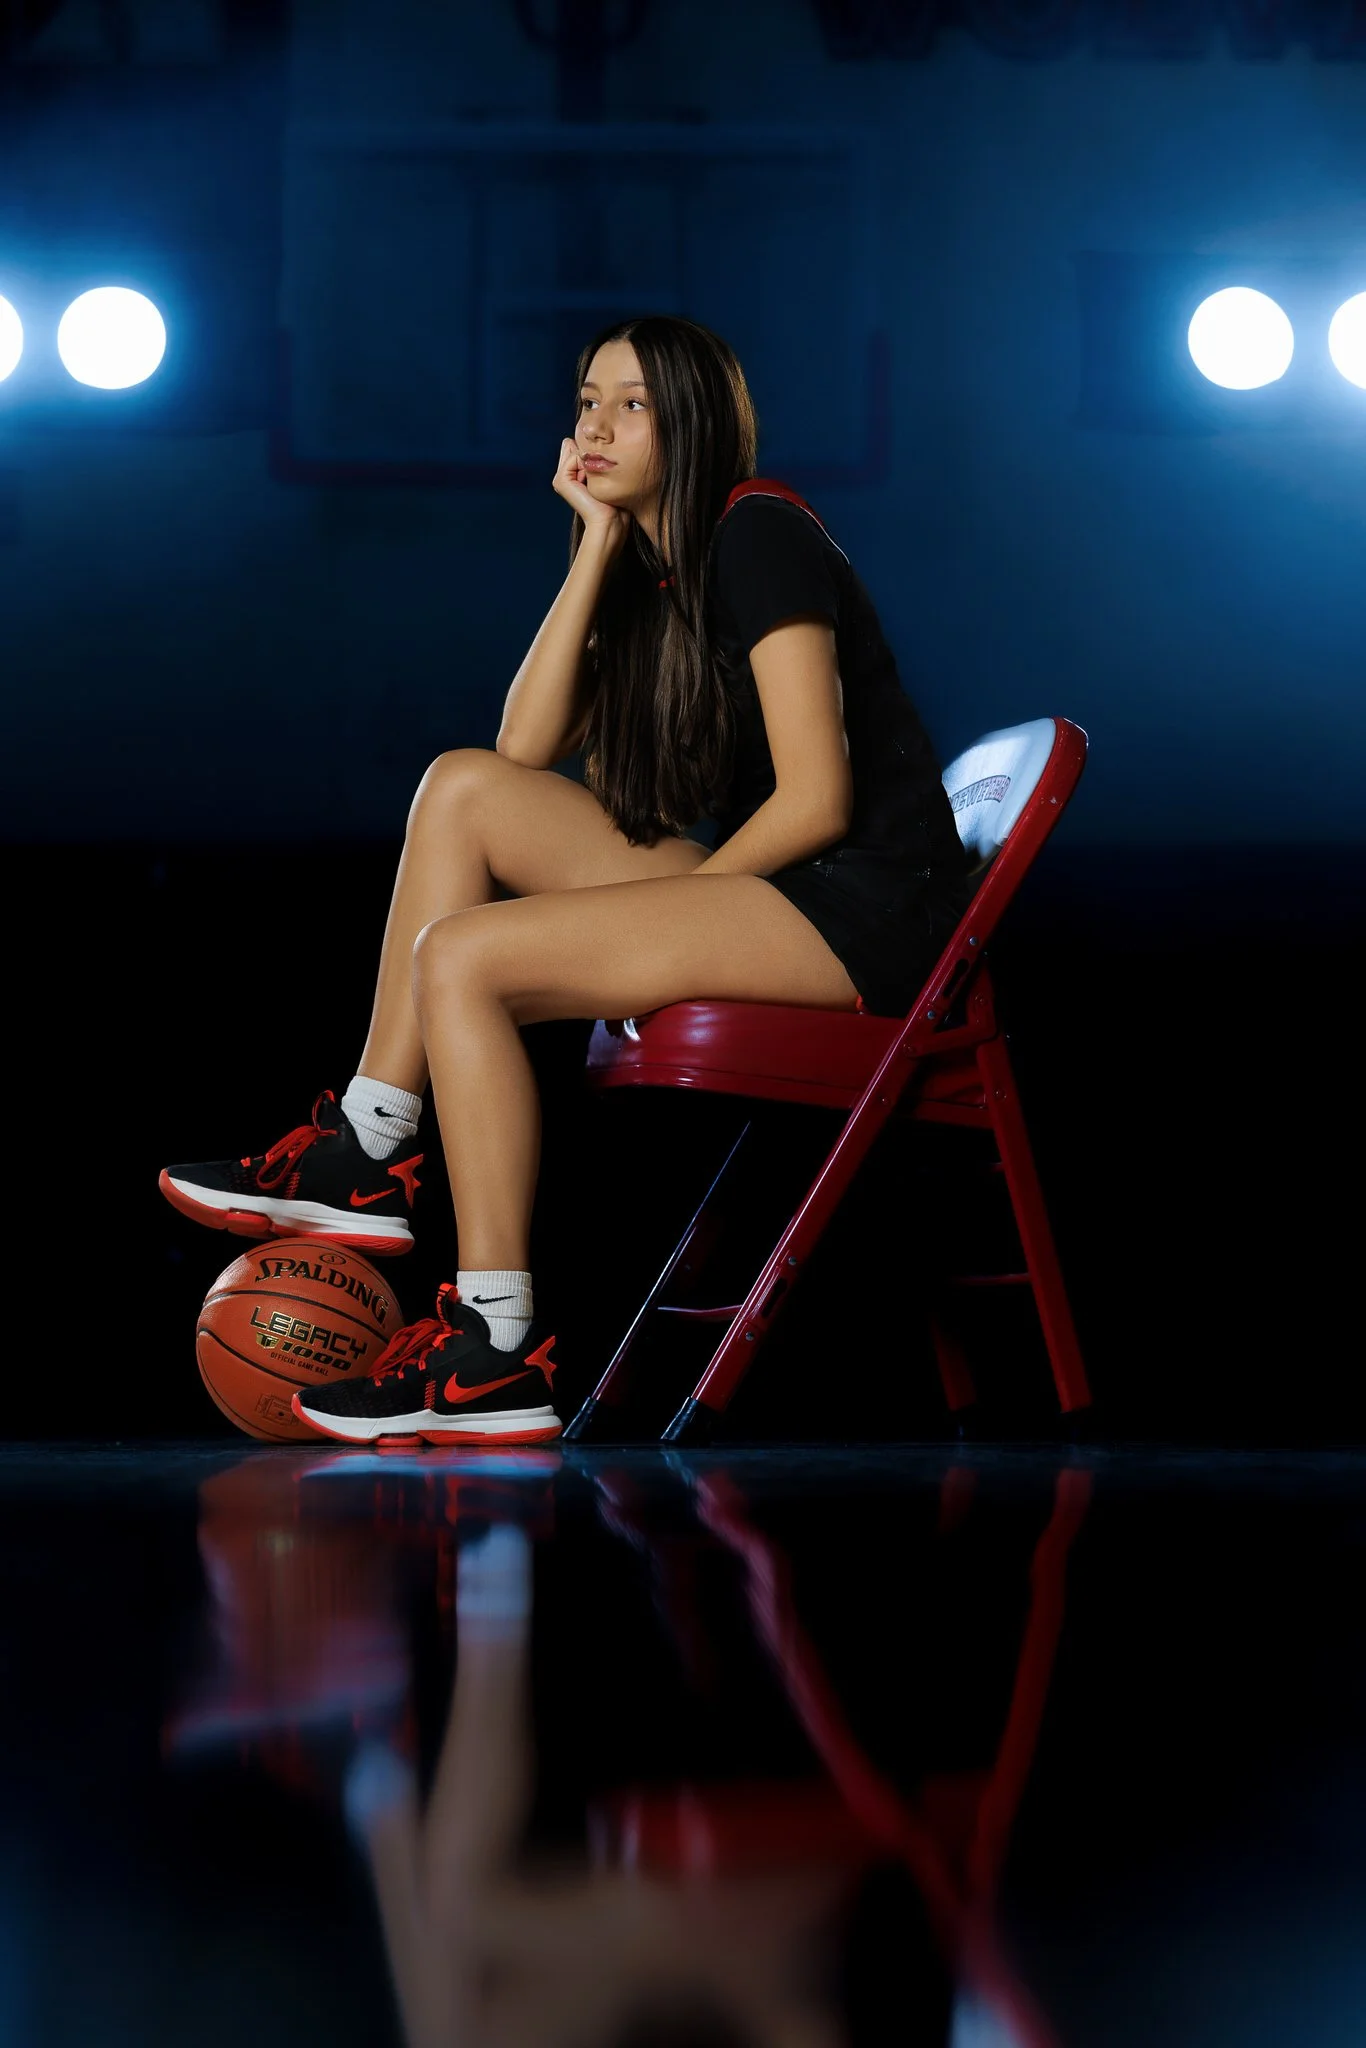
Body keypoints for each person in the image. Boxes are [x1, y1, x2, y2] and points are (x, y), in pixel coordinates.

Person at [159, 314, 972, 1446]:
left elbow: (817, 802)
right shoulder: (653, 570)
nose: (593, 424)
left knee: (463, 956)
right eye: (586, 400)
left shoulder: (758, 530)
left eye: (629, 403)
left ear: (688, 423)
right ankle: (370, 1143)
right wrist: (593, 541)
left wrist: (660, 913)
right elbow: (521, 747)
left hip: (858, 913)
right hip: (784, 895)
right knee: (461, 787)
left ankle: (494, 1349)